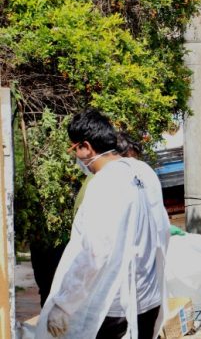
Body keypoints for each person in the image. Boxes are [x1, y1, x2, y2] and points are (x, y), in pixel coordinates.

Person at [36, 109, 170, 339]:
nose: (76, 157)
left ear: (86, 147)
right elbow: (162, 230)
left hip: (116, 308)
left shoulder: (105, 183)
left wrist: (64, 304)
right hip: (149, 299)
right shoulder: (143, 171)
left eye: (74, 148)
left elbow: (94, 252)